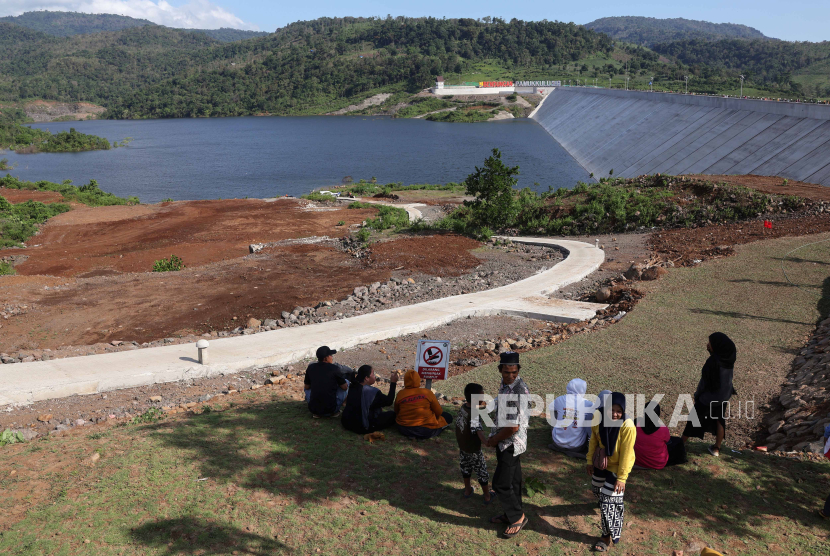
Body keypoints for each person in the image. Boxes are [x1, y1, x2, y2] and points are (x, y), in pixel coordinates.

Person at [486, 352, 531, 539]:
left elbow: (513, 427)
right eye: (506, 372)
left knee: (500, 484)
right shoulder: (505, 385)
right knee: (512, 481)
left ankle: (517, 518)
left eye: (513, 372)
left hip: (510, 443)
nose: (510, 376)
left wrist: (494, 439)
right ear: (500, 370)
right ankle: (510, 512)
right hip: (505, 441)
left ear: (518, 370)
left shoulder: (518, 390)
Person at [586, 392, 636, 552]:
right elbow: (594, 439)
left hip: (618, 466)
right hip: (602, 461)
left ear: (623, 411)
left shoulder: (627, 426)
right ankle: (604, 502)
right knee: (595, 487)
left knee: (609, 504)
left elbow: (627, 454)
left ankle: (606, 536)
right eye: (611, 410)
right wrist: (589, 460)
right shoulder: (597, 417)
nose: (614, 414)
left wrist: (622, 478)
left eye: (618, 411)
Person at [682, 333, 737, 457]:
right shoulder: (729, 358)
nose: (708, 345)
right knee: (719, 420)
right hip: (724, 395)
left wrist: (697, 396)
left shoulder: (712, 362)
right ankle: (716, 448)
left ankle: (680, 444)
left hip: (709, 397)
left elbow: (705, 383)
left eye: (710, 343)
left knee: (693, 420)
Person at [455, 383, 493, 504]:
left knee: (465, 468)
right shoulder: (474, 414)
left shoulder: (463, 408)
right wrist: (487, 442)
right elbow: (479, 432)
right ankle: (487, 496)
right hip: (474, 449)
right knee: (481, 471)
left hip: (463, 446)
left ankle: (467, 490)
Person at [394, 370, 452, 439]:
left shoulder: (400, 394)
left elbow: (396, 411)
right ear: (418, 379)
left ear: (405, 381)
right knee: (448, 417)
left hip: (404, 429)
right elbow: (439, 412)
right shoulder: (427, 392)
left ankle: (412, 435)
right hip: (425, 430)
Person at [341, 365, 399, 434]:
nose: (375, 376)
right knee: (392, 415)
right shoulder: (372, 392)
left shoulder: (353, 386)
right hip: (361, 426)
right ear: (366, 378)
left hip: (347, 422)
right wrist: (393, 383)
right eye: (373, 374)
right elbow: (389, 401)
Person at [548, 378, 594, 458]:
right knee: (589, 419)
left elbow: (550, 408)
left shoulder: (559, 399)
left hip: (557, 443)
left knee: (555, 412)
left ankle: (557, 433)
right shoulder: (588, 404)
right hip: (577, 447)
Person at [633, 402, 687, 470]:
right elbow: (667, 441)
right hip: (657, 464)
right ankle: (682, 460)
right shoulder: (662, 429)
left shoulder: (635, 423)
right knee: (678, 441)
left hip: (637, 461)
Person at [303, 346, 352, 418]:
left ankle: (317, 413)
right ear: (325, 358)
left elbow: (307, 387)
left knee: (308, 385)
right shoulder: (335, 368)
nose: (332, 357)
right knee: (347, 382)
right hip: (332, 410)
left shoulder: (311, 367)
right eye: (331, 355)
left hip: (314, 410)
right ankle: (336, 411)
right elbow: (344, 388)